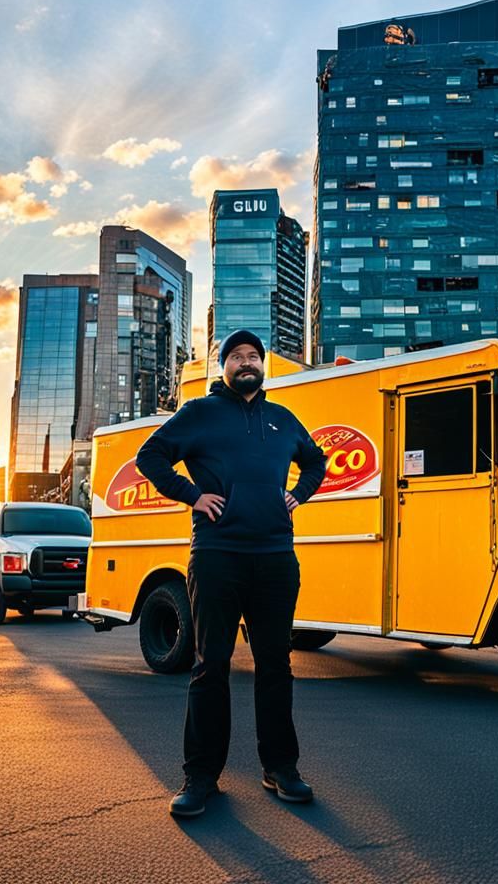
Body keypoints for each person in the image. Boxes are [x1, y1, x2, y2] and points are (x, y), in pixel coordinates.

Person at [136, 329, 326, 818]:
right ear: (223, 367)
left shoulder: (282, 419)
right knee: (209, 664)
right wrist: (192, 495)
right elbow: (150, 456)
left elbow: (316, 461)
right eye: (237, 356)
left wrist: (298, 495)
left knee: (276, 666)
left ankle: (280, 768)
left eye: (254, 356)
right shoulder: (200, 413)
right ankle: (200, 777)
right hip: (217, 554)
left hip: (276, 556)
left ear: (263, 367)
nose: (247, 362)